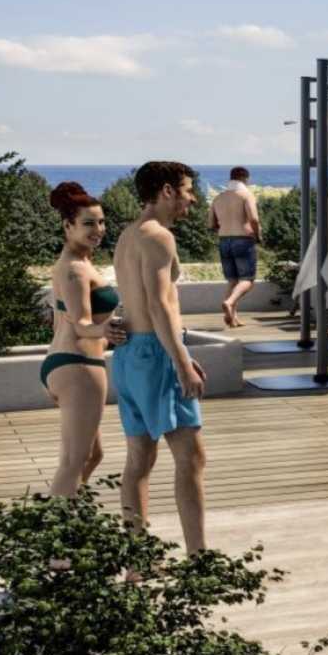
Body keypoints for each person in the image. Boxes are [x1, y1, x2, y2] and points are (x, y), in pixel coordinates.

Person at [112, 161, 209, 553]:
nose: (192, 199)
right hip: (155, 352)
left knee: (139, 458)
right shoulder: (159, 237)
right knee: (191, 457)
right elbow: (158, 305)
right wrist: (181, 362)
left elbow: (131, 298)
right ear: (167, 191)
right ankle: (199, 559)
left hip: (130, 354)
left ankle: (137, 561)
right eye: (187, 190)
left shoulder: (127, 235)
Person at [42, 182, 120, 497]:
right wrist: (105, 330)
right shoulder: (75, 269)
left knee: (91, 455)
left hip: (64, 362)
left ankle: (71, 511)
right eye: (89, 223)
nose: (98, 230)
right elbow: (82, 324)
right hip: (79, 366)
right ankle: (54, 522)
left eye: (101, 222)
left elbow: (60, 320)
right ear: (68, 226)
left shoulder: (79, 262)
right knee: (74, 461)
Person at [209, 166, 261, 327]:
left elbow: (211, 223)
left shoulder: (218, 198)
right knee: (247, 279)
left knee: (233, 280)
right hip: (243, 239)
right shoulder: (246, 195)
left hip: (224, 240)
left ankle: (232, 318)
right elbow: (254, 219)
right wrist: (257, 235)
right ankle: (230, 302)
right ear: (245, 178)